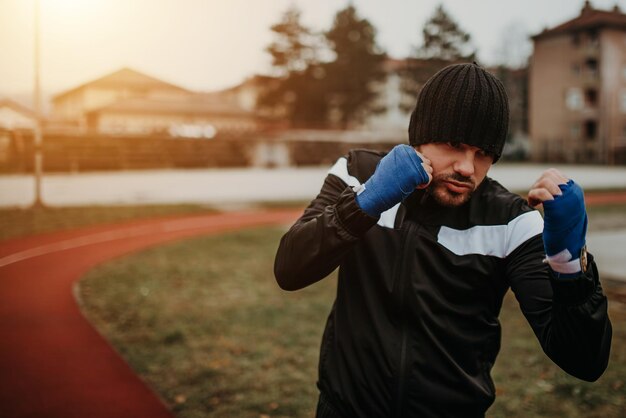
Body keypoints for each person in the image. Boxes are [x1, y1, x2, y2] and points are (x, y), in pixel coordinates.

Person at [274, 63, 612, 418]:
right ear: (420, 135)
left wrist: (570, 265)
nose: (467, 167)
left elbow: (585, 361)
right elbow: (290, 269)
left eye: (483, 153)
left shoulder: (513, 222)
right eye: (454, 144)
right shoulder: (358, 173)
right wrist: (365, 203)